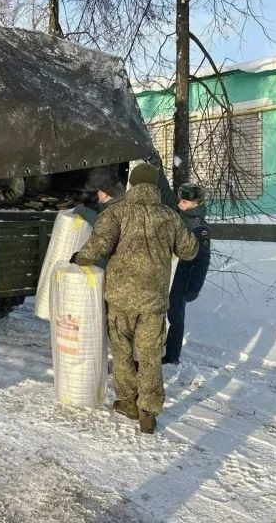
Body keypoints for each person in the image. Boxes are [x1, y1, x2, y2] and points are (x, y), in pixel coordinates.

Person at [71, 163, 198, 433]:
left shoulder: (117, 212)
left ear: (132, 185)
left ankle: (128, 402)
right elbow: (189, 251)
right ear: (153, 186)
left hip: (120, 299)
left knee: (123, 353)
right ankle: (148, 412)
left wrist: (79, 258)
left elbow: (98, 245)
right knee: (151, 355)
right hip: (153, 302)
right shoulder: (169, 216)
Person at [164, 183, 211, 365]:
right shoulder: (178, 215)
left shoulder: (199, 228)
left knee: (175, 317)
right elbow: (165, 191)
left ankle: (172, 356)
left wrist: (193, 288)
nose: (180, 204)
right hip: (167, 274)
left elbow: (202, 261)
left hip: (181, 279)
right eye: (180, 200)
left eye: (184, 202)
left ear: (195, 204)